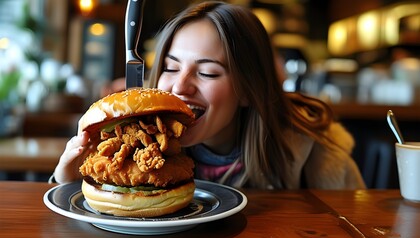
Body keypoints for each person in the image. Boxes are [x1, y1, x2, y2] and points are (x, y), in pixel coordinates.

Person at [52, 1, 366, 189]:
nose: (179, 86)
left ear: (248, 90)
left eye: (208, 72)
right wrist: (66, 180)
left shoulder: (317, 157)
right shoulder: (136, 147)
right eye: (171, 68)